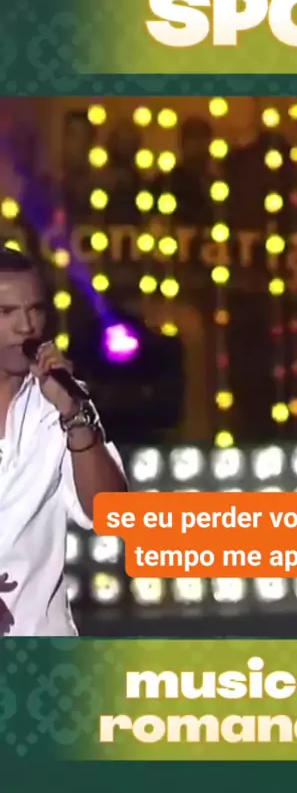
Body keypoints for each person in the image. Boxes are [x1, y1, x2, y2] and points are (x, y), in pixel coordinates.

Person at [0, 247, 127, 637]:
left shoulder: (62, 401)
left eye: (35, 310)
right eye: (6, 312)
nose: (26, 326)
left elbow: (111, 513)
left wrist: (73, 414)